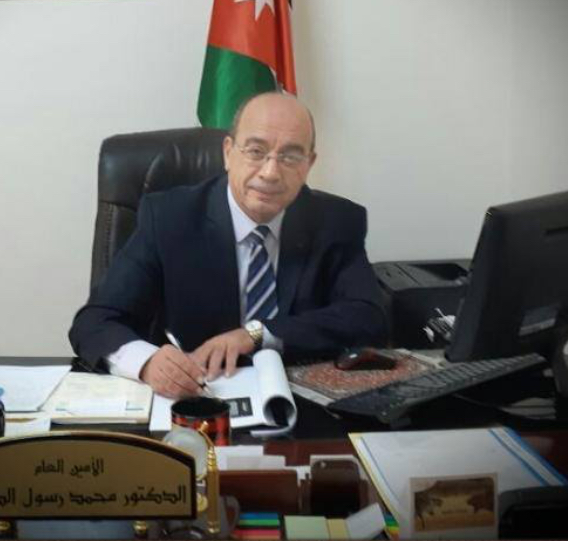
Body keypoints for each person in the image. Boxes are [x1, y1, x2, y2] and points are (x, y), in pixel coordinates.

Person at [69, 93, 388, 398]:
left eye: (290, 157)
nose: (270, 172)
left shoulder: (336, 221)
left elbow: (368, 316)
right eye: (256, 151)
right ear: (228, 153)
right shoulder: (168, 217)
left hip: (299, 399)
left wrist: (256, 334)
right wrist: (148, 363)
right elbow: (95, 322)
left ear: (309, 163)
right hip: (195, 397)